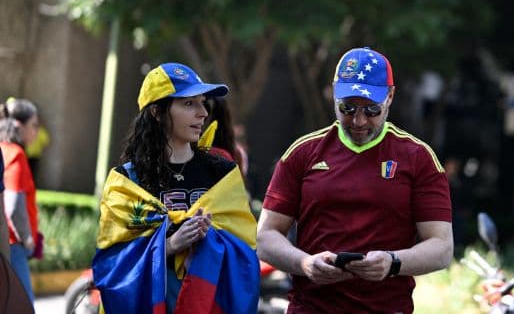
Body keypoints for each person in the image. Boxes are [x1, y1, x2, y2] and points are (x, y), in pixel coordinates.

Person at [257, 46, 454, 314]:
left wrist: (393, 262)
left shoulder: (418, 157)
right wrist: (304, 263)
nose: (359, 121)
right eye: (347, 108)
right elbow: (267, 235)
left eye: (371, 109)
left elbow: (441, 247)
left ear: (390, 97)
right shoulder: (302, 153)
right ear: (334, 94)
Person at [93, 62, 259, 314]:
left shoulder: (223, 174)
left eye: (203, 103)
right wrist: (169, 246)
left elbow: (245, 250)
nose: (202, 113)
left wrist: (209, 244)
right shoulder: (126, 181)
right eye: (188, 104)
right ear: (157, 112)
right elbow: (113, 263)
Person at [0, 99, 41, 304]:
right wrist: (27, 238)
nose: (37, 132)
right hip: (14, 244)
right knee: (24, 306)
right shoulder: (16, 154)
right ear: (19, 125)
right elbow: (13, 202)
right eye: (34, 125)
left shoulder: (2, 150)